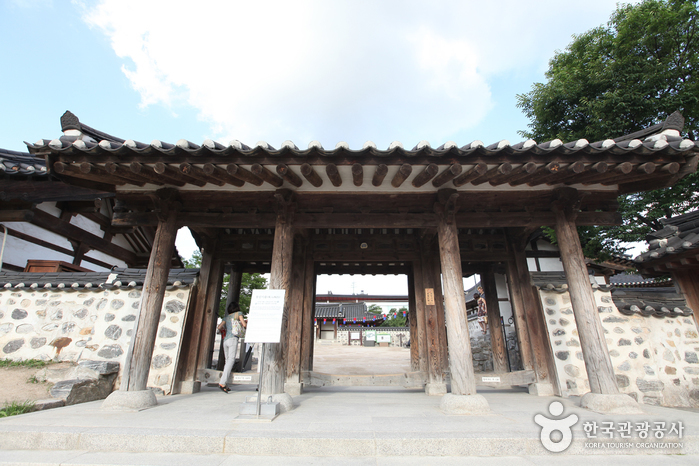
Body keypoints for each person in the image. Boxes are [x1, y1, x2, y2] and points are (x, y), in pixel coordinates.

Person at [217, 301, 246, 393]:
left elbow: (219, 327)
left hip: (225, 340)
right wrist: (244, 323)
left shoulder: (226, 317)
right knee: (231, 360)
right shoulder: (238, 314)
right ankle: (222, 382)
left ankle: (226, 383)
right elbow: (244, 325)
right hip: (233, 338)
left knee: (227, 361)